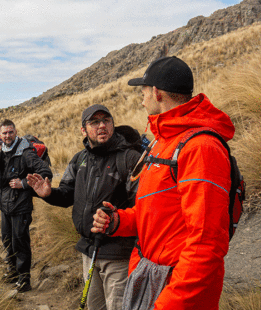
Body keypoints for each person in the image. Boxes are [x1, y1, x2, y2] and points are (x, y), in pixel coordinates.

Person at [91, 56, 235, 310]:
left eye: (144, 91)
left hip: (175, 292)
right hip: (151, 277)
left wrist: (168, 304)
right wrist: (118, 221)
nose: (141, 98)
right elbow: (158, 212)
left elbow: (206, 243)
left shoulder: (200, 148)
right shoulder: (164, 141)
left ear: (156, 93)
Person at [27, 105, 141, 310]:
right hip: (88, 251)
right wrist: (49, 194)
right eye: (94, 122)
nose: (102, 126)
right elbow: (67, 194)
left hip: (119, 256)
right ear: (83, 129)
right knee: (94, 306)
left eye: (106, 120)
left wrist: (117, 219)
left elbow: (144, 208)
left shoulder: (129, 159)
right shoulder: (79, 160)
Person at [0, 119, 53, 293]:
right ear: (0, 134)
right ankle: (12, 272)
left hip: (20, 205)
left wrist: (23, 183)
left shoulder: (26, 152)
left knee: (20, 241)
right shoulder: (3, 152)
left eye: (10, 132)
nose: (7, 136)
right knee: (7, 240)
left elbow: (45, 172)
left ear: (15, 131)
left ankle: (24, 278)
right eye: (4, 133)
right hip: (5, 206)